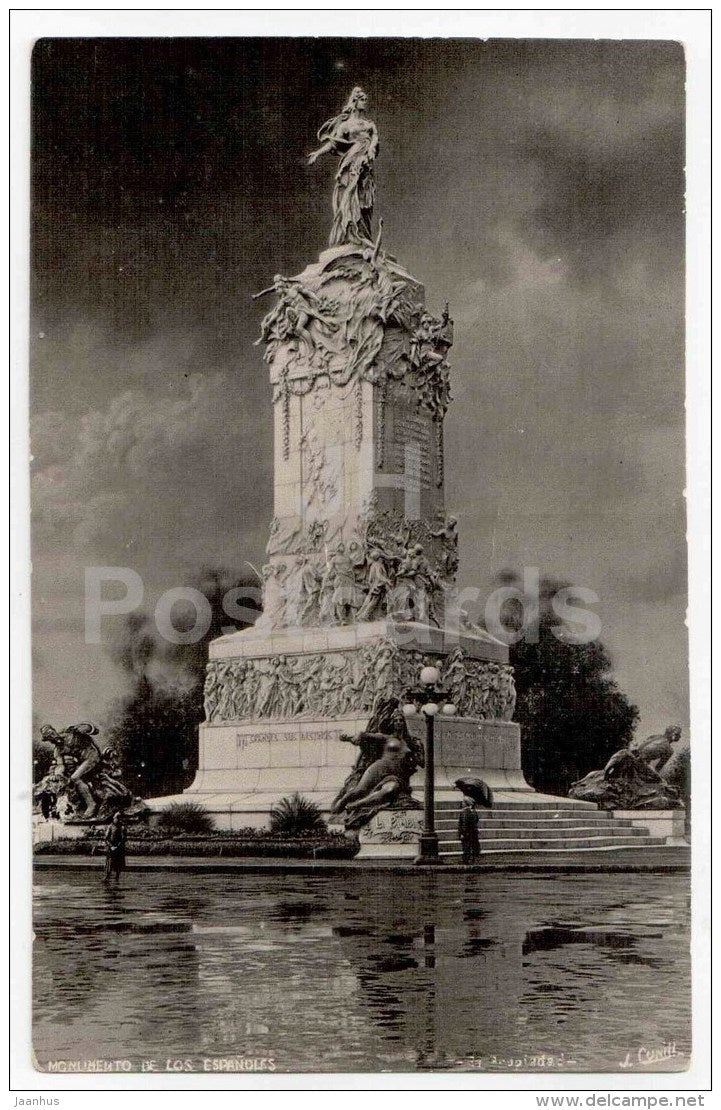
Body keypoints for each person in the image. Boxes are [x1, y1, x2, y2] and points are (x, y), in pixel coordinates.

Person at [103, 812, 127, 884]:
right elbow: (106, 838)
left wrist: (118, 846)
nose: (118, 820)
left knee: (119, 864)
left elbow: (123, 838)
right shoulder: (110, 827)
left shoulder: (122, 827)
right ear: (114, 818)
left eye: (119, 818)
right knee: (109, 863)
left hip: (119, 848)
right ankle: (107, 877)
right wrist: (111, 846)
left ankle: (117, 877)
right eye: (116, 818)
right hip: (111, 848)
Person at [458, 798, 480, 864]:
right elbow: (476, 820)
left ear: (465, 804)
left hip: (467, 833)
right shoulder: (473, 812)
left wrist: (462, 833)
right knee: (471, 846)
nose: (462, 804)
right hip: (473, 832)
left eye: (463, 803)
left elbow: (463, 823)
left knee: (466, 847)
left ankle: (466, 860)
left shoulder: (464, 812)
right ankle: (471, 859)